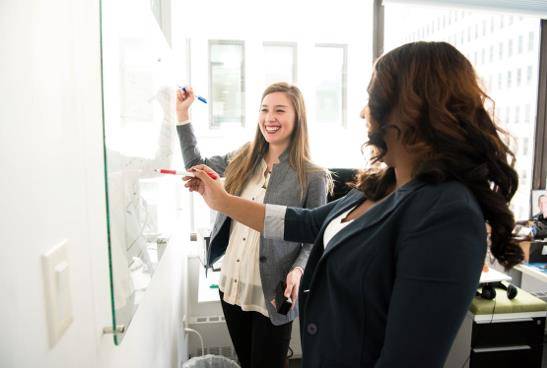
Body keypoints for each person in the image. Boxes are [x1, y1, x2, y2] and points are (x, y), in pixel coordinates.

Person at [183, 42, 524, 367]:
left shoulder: (447, 214)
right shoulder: (380, 184)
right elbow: (305, 222)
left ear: (411, 108)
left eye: (372, 98)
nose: (363, 112)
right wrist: (224, 202)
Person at [176, 82, 329, 368]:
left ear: (297, 118)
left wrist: (298, 270)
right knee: (248, 362)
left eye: (280, 110)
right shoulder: (243, 158)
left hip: (273, 291)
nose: (270, 118)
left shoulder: (313, 175)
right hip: (232, 283)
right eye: (264, 110)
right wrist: (182, 114)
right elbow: (195, 164)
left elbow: (314, 236)